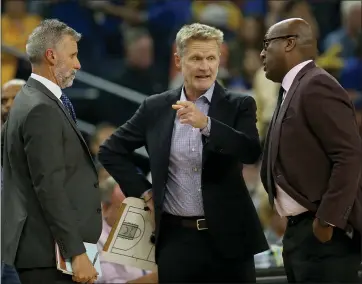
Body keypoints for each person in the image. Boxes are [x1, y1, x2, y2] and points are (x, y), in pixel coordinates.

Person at [98, 23, 268, 283]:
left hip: (230, 240)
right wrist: (144, 193)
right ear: (179, 60)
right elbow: (110, 150)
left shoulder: (239, 104)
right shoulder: (155, 107)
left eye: (211, 58)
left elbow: (250, 151)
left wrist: (207, 125)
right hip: (176, 240)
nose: (205, 66)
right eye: (196, 58)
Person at [260, 18, 362, 283]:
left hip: (325, 238)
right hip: (301, 235)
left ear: (290, 43)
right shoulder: (294, 88)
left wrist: (327, 221)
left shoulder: (317, 85)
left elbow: (349, 156)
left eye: (267, 44)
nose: (262, 53)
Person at [1, 19, 102, 284]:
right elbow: (49, 186)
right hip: (50, 255)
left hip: (45, 250)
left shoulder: (27, 97)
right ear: (51, 55)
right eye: (73, 55)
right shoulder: (40, 108)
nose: (78, 64)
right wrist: (76, 252)